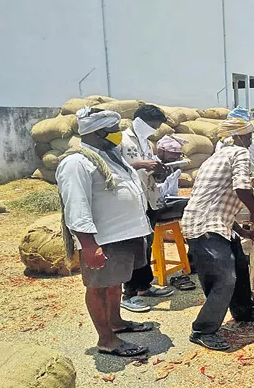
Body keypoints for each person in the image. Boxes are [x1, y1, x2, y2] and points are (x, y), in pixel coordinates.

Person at [56, 107, 154, 357]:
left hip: (124, 234)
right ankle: (107, 341)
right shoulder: (76, 162)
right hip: (103, 238)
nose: (118, 135)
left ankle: (116, 322)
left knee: (115, 283)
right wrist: (89, 245)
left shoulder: (110, 155)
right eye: (114, 131)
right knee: (98, 287)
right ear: (99, 133)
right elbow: (76, 206)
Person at [181, 117, 254, 351]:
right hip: (205, 225)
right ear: (239, 136)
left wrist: (239, 229)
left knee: (241, 269)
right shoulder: (239, 153)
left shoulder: (216, 157)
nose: (251, 138)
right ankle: (203, 330)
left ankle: (244, 311)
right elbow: (241, 187)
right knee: (224, 277)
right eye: (249, 134)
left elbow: (218, 200)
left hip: (218, 221)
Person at [119, 104, 175, 313]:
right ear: (140, 121)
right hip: (132, 200)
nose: (154, 129)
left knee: (147, 245)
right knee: (135, 247)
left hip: (149, 199)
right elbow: (116, 168)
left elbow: (149, 170)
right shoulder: (122, 141)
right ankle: (128, 293)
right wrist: (142, 165)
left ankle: (144, 286)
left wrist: (160, 170)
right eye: (152, 125)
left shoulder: (147, 143)